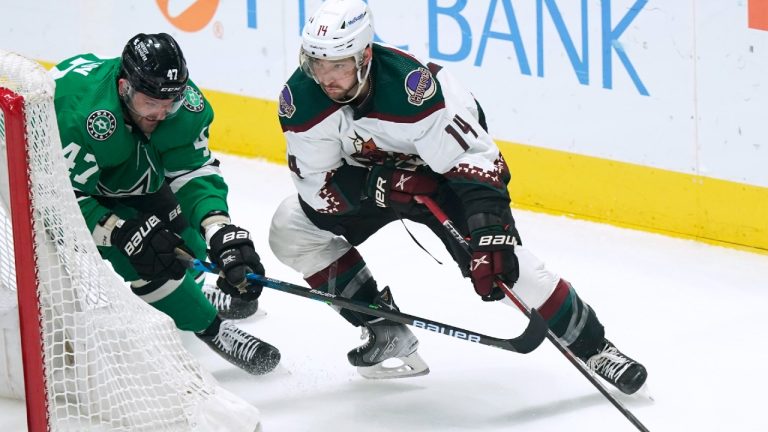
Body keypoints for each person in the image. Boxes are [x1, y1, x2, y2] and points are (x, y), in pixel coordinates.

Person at [269, 0, 647, 394]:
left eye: (338, 65)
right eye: (316, 63)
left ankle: (595, 346)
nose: (326, 77)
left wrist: (490, 233)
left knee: (506, 268)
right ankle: (383, 327)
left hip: (445, 183)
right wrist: (381, 186)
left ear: (364, 55)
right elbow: (317, 186)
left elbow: (477, 161)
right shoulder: (301, 99)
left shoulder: (415, 92)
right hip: (373, 185)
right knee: (289, 229)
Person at [51, 33, 279, 375]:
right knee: (147, 255)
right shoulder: (79, 115)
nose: (160, 112)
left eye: (169, 103)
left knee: (186, 238)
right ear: (124, 87)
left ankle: (194, 291)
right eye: (149, 103)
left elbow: (193, 172)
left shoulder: (183, 105)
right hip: (65, 187)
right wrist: (117, 230)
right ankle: (212, 329)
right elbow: (58, 199)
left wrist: (219, 228)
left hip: (130, 174)